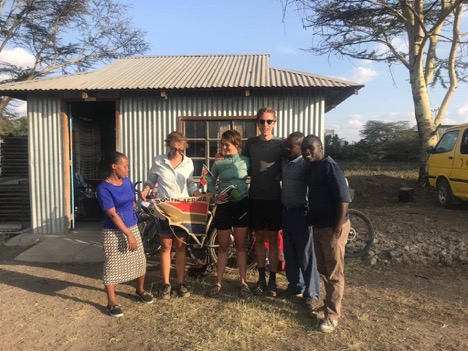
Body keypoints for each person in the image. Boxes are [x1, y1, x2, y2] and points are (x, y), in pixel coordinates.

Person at [141, 132, 202, 299]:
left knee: (181, 247)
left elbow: (190, 185)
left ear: (184, 147)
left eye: (180, 149)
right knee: (166, 247)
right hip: (164, 209)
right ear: (168, 145)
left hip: (182, 210)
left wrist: (200, 195)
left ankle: (181, 283)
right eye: (174, 149)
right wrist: (146, 189)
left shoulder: (188, 162)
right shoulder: (158, 160)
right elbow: (150, 180)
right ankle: (166, 283)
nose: (177, 152)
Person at [301, 135, 352, 333]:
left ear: (321, 147)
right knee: (323, 268)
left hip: (333, 227)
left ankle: (332, 316)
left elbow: (344, 199)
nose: (307, 152)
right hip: (319, 227)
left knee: (334, 273)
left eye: (311, 148)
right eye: (305, 149)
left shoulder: (331, 167)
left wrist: (337, 227)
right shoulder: (313, 167)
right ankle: (328, 305)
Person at [96, 151, 153, 318]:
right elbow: (112, 214)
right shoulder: (103, 188)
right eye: (125, 166)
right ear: (114, 167)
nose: (127, 169)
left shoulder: (127, 181)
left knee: (140, 259)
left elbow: (132, 200)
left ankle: (140, 289)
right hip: (113, 231)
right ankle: (111, 302)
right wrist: (128, 234)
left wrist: (136, 211)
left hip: (132, 226)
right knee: (112, 265)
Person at [244, 106, 285, 297]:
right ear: (257, 123)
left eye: (269, 121)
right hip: (256, 198)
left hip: (275, 198)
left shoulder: (282, 144)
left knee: (274, 239)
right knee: (259, 238)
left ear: (275, 123)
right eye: (262, 121)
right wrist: (222, 157)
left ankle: (273, 281)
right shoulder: (250, 143)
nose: (265, 125)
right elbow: (239, 161)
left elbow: (292, 163)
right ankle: (261, 279)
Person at [206, 130, 251, 298]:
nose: (223, 147)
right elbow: (209, 181)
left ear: (236, 145)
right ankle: (218, 282)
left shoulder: (246, 161)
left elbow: (258, 175)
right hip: (224, 205)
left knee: (240, 246)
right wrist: (215, 195)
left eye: (227, 144)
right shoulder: (218, 163)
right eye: (222, 144)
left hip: (242, 205)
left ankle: (243, 282)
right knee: (223, 246)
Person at [281, 132, 320, 306]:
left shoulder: (306, 164)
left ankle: (312, 293)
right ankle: (295, 286)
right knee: (290, 252)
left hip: (302, 214)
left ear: (301, 147)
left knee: (306, 254)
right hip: (286, 212)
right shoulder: (285, 161)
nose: (287, 148)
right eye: (286, 145)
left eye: (291, 146)